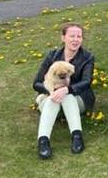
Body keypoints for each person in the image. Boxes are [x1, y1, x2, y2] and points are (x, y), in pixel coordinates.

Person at [32, 23, 94, 160]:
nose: (75, 39)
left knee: (67, 96)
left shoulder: (88, 57)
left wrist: (67, 89)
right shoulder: (52, 56)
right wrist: (53, 90)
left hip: (79, 100)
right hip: (51, 101)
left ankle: (76, 136)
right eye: (72, 36)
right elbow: (36, 83)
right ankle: (43, 140)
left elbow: (87, 81)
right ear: (63, 38)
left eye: (79, 36)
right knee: (53, 98)